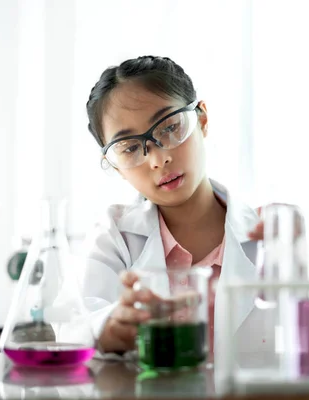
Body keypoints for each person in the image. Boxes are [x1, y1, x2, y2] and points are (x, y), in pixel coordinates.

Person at [81, 55, 273, 365]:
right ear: (116, 167)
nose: (158, 159)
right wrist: (110, 330)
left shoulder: (271, 236)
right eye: (130, 148)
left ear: (202, 120)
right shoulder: (114, 237)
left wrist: (307, 255)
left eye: (170, 127)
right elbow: (78, 321)